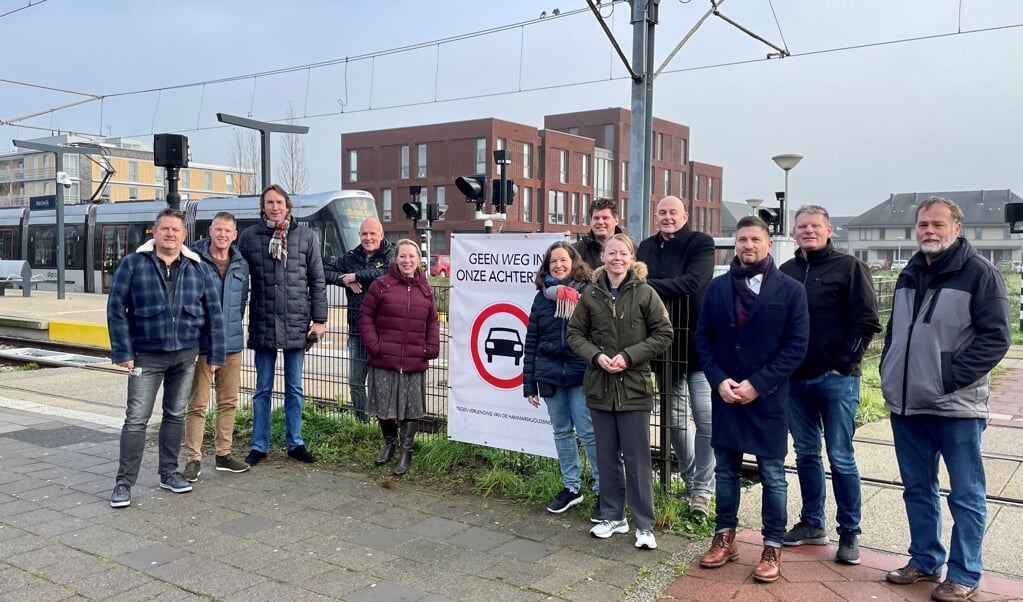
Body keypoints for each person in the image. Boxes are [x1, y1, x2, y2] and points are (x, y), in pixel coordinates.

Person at [880, 196, 1010, 602]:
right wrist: (889, 370)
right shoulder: (909, 272)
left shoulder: (980, 273)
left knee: (966, 493)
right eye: (923, 225)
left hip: (956, 406)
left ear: (957, 227)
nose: (929, 231)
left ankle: (965, 573)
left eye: (938, 224)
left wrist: (947, 377)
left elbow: (996, 338)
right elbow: (896, 332)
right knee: (917, 488)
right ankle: (925, 559)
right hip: (907, 404)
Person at [694, 215, 808, 583]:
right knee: (725, 471)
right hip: (727, 395)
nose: (747, 245)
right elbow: (704, 339)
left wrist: (758, 384)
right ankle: (724, 537)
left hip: (768, 398)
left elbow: (796, 347)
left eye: (755, 239)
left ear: (768, 244)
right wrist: (718, 380)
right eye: (742, 239)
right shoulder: (717, 288)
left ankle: (772, 545)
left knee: (773, 475)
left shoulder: (791, 291)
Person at [778, 205, 881, 564]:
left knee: (840, 455)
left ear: (829, 230)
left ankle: (849, 531)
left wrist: (843, 365)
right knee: (806, 453)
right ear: (794, 232)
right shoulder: (787, 271)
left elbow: (867, 321)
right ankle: (811, 521)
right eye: (802, 226)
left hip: (835, 380)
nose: (808, 231)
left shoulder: (850, 268)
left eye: (815, 226)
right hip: (796, 380)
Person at [107, 208, 225, 508]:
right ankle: (124, 483)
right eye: (164, 229)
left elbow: (214, 313)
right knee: (136, 420)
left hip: (185, 355)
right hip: (145, 356)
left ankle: (169, 472)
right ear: (155, 232)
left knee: (174, 416)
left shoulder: (197, 268)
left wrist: (215, 353)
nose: (170, 234)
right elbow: (116, 308)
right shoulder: (134, 264)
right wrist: (123, 352)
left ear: (184, 235)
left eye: (175, 230)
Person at [567, 234, 673, 550]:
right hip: (600, 388)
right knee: (606, 455)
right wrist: (596, 356)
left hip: (635, 389)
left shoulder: (645, 293)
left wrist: (629, 356)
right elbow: (575, 334)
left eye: (623, 253)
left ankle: (644, 525)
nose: (617, 258)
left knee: (638, 459)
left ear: (631, 258)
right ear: (603, 257)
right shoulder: (590, 296)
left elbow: (664, 333)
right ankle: (613, 516)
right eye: (611, 252)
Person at [636, 195, 716, 516]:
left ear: (685, 215)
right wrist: (659, 290)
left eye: (673, 212)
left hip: (698, 343)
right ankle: (695, 482)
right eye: (662, 212)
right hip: (662, 346)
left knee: (707, 419)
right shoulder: (645, 247)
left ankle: (701, 487)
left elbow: (693, 283)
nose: (667, 217)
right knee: (674, 421)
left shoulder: (701, 243)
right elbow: (637, 283)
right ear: (655, 217)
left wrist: (649, 287)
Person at [237, 184, 327, 466]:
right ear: (263, 207)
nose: (274, 207)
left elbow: (317, 279)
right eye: (269, 202)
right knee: (262, 388)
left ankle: (295, 442)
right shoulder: (249, 238)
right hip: (263, 321)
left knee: (294, 388)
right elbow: (237, 278)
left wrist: (320, 319)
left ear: (288, 206)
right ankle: (259, 445)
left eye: (279, 202)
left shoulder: (305, 237)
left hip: (296, 322)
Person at [523, 242, 600, 518]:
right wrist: (529, 383)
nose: (558, 265)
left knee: (589, 432)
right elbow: (531, 341)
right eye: (553, 261)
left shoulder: (588, 292)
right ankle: (571, 487)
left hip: (581, 373)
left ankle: (603, 489)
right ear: (547, 266)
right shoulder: (541, 298)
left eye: (563, 260)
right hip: (550, 375)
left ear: (573, 262)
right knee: (561, 432)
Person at [359, 239, 440, 476]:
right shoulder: (380, 285)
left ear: (418, 260)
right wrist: (375, 346)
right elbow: (365, 317)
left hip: (414, 359)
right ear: (396, 259)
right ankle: (389, 444)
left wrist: (431, 348)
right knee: (383, 405)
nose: (407, 261)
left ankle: (406, 452)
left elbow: (432, 321)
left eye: (411, 257)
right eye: (402, 256)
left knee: (411, 408)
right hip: (385, 358)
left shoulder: (425, 289)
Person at [182, 212, 251, 482]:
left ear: (235, 235)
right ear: (210, 231)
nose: (223, 235)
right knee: (197, 403)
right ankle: (193, 459)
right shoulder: (194, 260)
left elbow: (242, 300)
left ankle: (223, 454)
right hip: (202, 344)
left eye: (228, 231)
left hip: (232, 343)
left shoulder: (241, 264)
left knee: (228, 402)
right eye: (218, 230)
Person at [325, 218, 394, 423]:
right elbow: (325, 270)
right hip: (357, 330)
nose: (368, 238)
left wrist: (356, 276)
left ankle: (385, 424)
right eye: (364, 234)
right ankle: (362, 423)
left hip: (383, 331)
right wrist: (343, 280)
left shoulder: (391, 254)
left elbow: (387, 274)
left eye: (372, 234)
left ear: (381, 235)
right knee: (355, 381)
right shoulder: (351, 256)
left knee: (382, 382)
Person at [572, 197, 623, 270]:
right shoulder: (575, 251)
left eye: (605, 218)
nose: (600, 222)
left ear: (616, 221)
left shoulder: (631, 249)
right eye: (596, 218)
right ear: (591, 221)